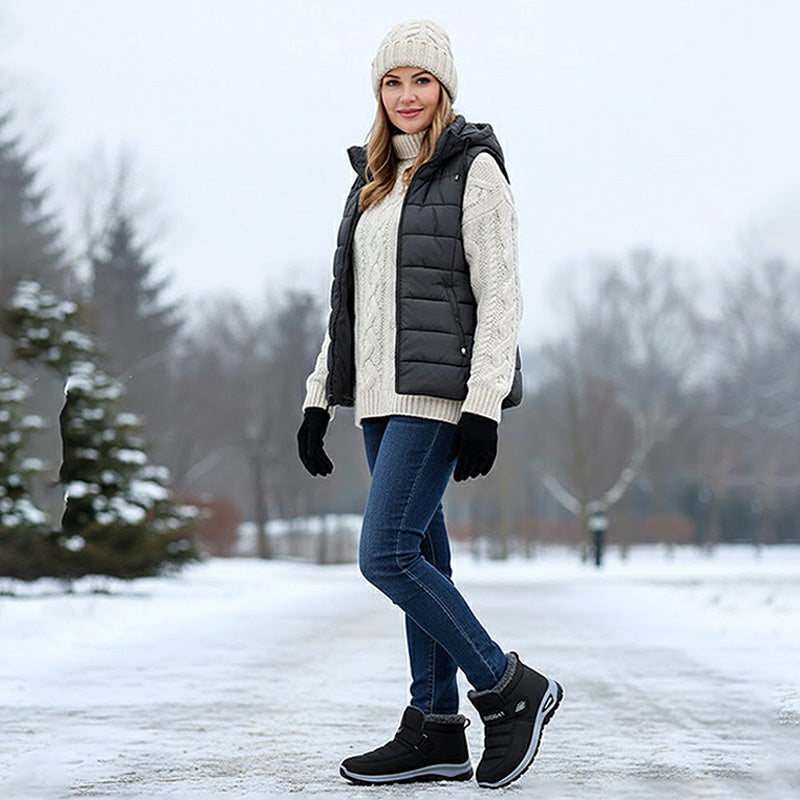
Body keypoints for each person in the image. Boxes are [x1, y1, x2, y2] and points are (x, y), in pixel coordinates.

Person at [296, 19, 563, 790]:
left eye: (421, 80)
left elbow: (501, 296)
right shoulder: (371, 183)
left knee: (385, 554)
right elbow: (348, 306)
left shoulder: (473, 171)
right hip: (378, 401)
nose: (406, 95)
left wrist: (484, 404)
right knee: (422, 556)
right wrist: (319, 399)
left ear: (444, 89)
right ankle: (437, 729)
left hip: (439, 396)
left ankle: (508, 687)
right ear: (378, 92)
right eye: (392, 81)